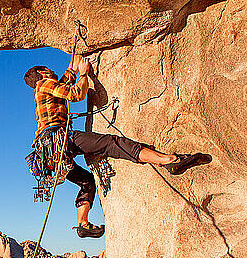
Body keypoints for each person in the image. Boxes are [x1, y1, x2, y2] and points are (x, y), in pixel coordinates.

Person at [24, 55, 211, 239]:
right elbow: (76, 94)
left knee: (87, 182)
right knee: (111, 143)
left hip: (51, 152)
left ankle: (83, 224)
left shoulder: (49, 88)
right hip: (59, 140)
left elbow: (69, 73)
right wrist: (84, 75)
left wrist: (77, 54)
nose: (54, 71)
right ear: (42, 72)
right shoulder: (44, 84)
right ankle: (169, 160)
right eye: (49, 70)